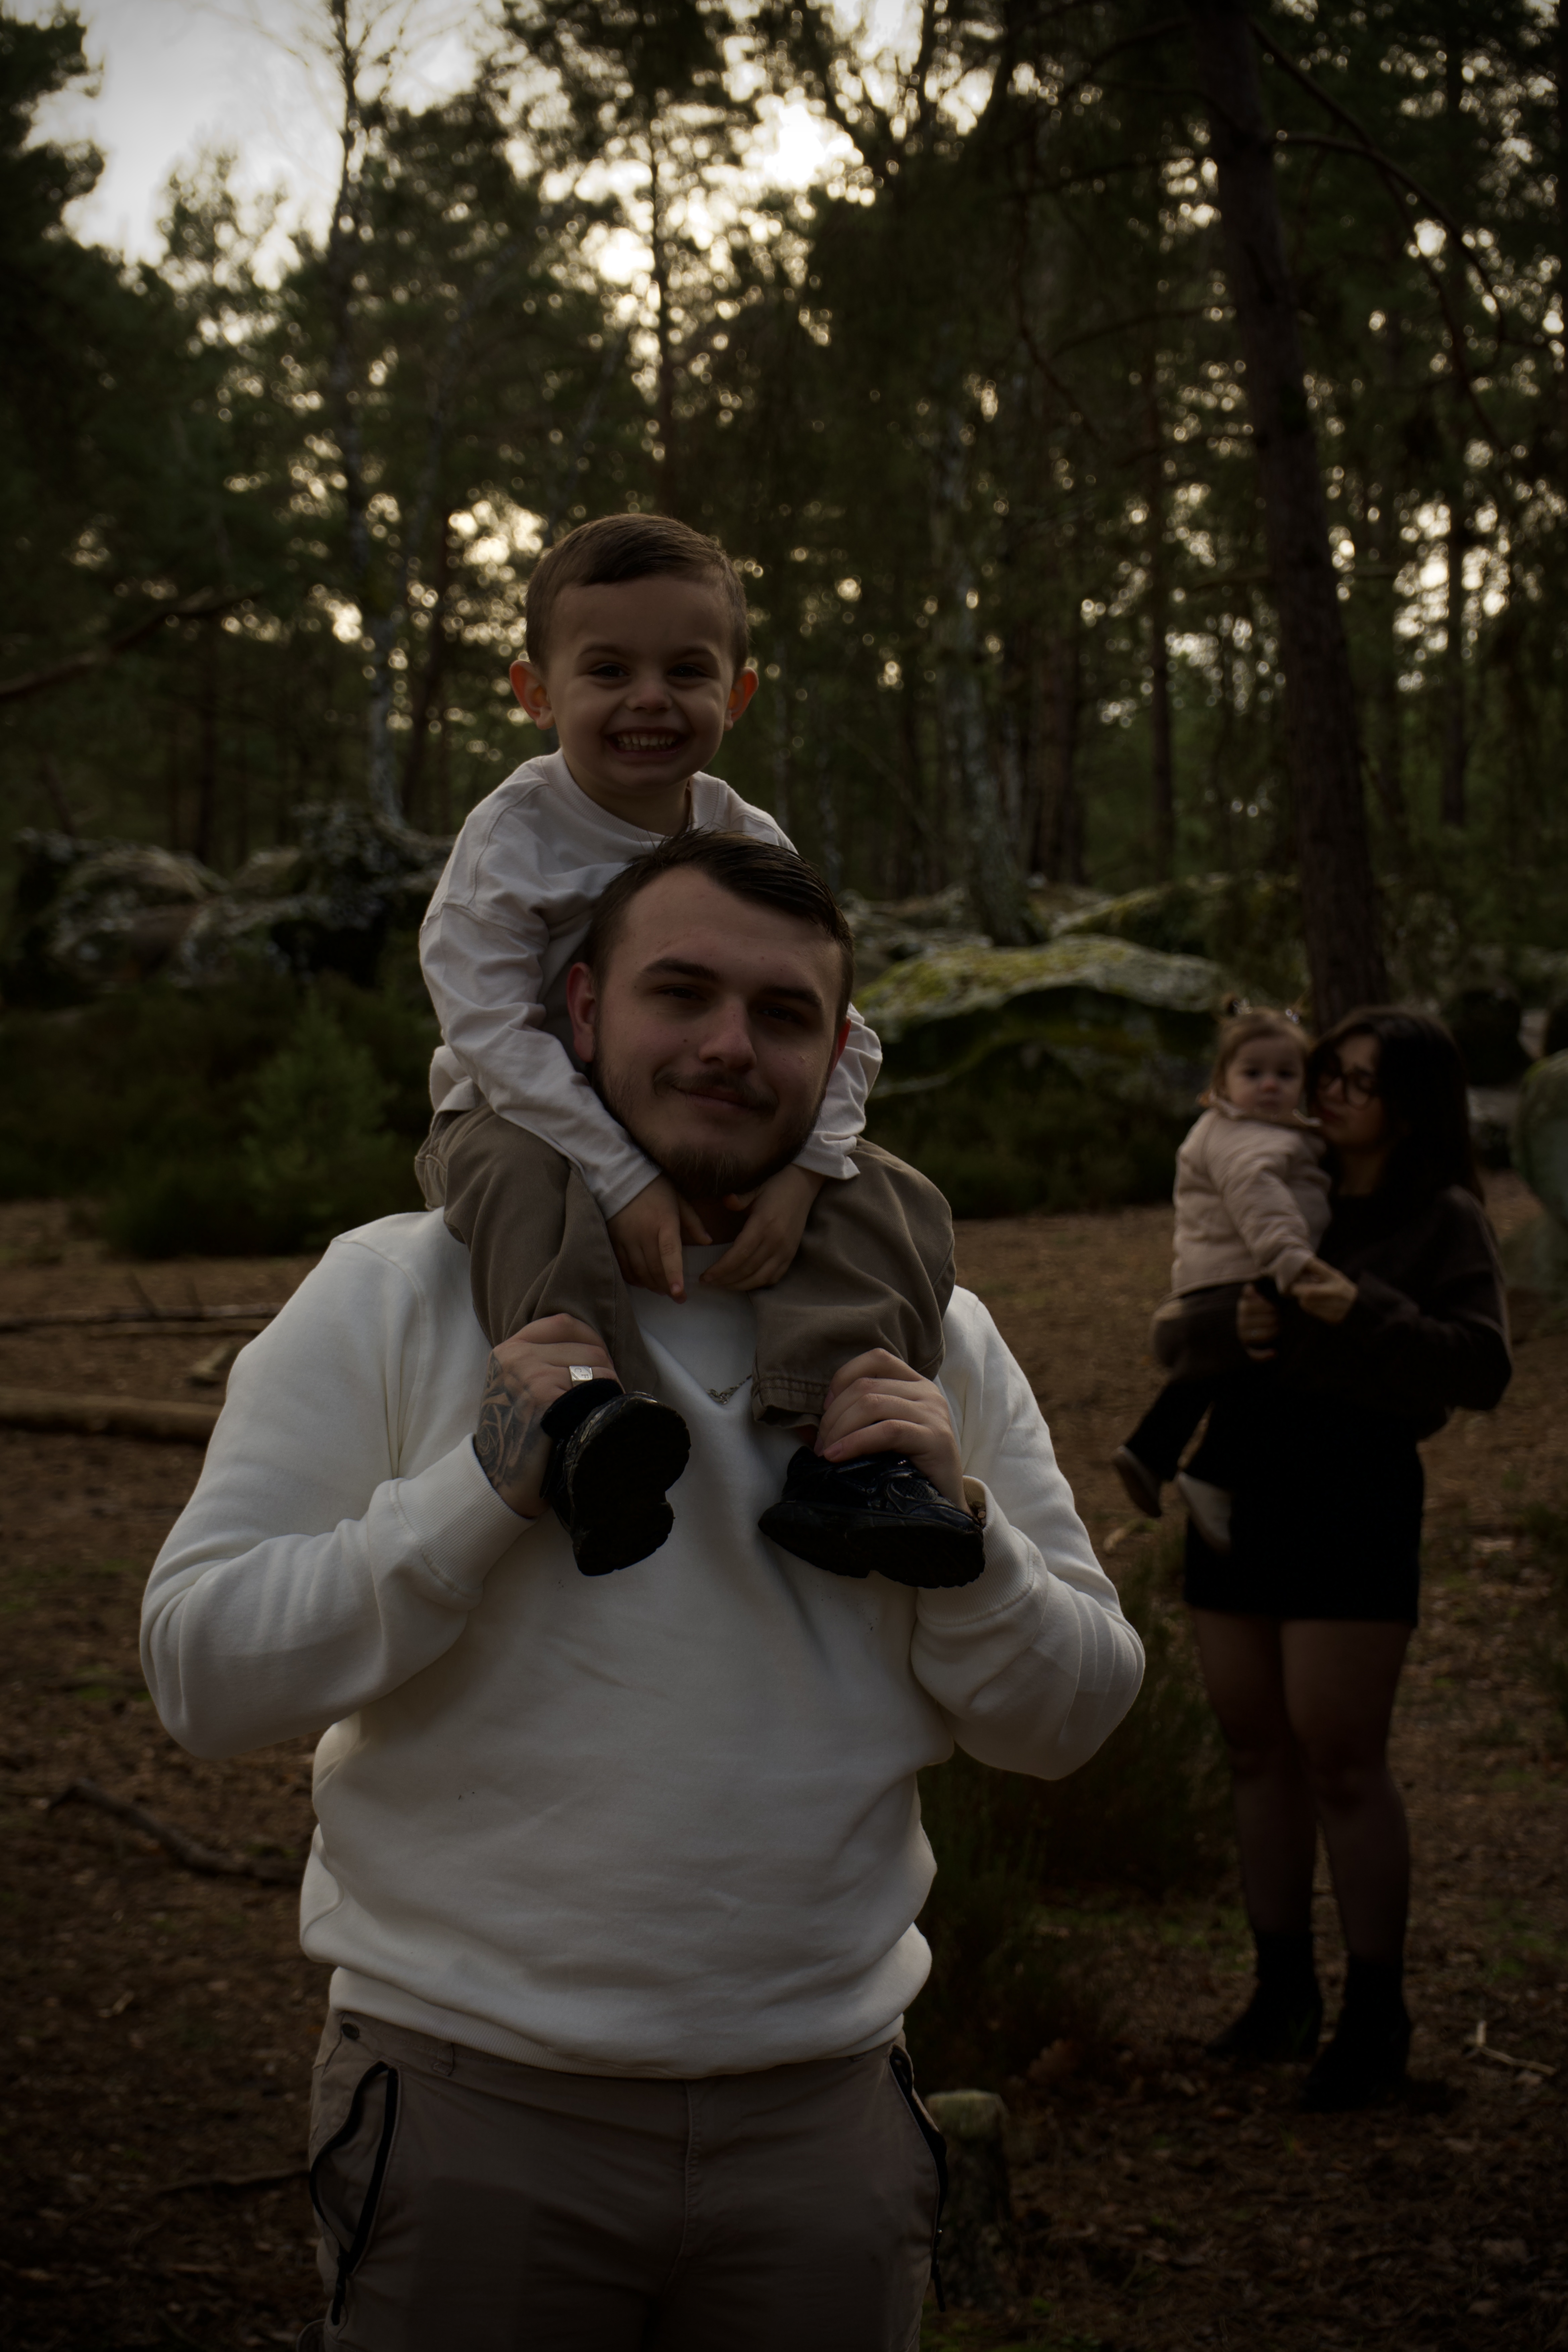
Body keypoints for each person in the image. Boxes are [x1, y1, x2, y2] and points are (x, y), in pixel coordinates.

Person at [141, 829, 1145, 2352]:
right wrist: (481, 1487)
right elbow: (203, 1672)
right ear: (580, 1011)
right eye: (681, 992)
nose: (730, 1045)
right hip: (473, 2112)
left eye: (783, 1013)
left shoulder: (934, 1333)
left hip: (824, 2126)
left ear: (837, 1058)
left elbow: (1072, 1716)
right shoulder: (396, 1288)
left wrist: (972, 1533)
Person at [416, 511, 970, 1584]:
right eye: (609, 669)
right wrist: (618, 1174)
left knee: (888, 1195)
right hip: (516, 1111)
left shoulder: (746, 839)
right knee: (519, 1180)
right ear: (536, 692)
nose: (650, 700)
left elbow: (838, 1026)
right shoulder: (512, 839)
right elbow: (485, 1028)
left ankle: (849, 1450)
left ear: (739, 693)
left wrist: (812, 1169)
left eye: (687, 670)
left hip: (705, 1119)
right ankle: (581, 1419)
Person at [1183, 1008, 1510, 2111]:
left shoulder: (1439, 1212)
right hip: (1238, 1475)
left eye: (1359, 1081)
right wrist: (1233, 1327)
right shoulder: (1270, 1172)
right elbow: (1179, 1334)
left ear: (1409, 1102)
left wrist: (1354, 1302)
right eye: (1327, 1074)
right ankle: (1281, 1995)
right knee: (1252, 1745)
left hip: (1353, 1492)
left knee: (1339, 1758)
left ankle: (1377, 2017)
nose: (1329, 1093)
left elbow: (1481, 1366)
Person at [1112, 1010, 1331, 1555]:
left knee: (1223, 1379)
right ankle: (1210, 1471)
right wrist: (1294, 1262)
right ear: (1222, 1083)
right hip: (1248, 1275)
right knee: (1267, 1373)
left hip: (1225, 1276)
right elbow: (1261, 1203)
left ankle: (1151, 1451)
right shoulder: (1246, 1139)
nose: (1270, 1084)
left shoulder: (1254, 1131)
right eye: (1253, 1073)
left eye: (1286, 1073)